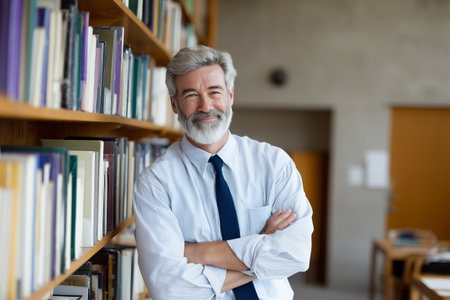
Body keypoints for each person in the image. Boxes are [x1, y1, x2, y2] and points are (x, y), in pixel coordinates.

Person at [133, 45, 313, 300]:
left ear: (230, 96)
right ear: (174, 105)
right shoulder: (155, 183)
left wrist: (197, 253)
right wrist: (261, 250)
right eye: (191, 95)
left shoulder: (274, 164)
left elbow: (295, 255)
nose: (206, 106)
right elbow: (169, 288)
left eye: (214, 92)